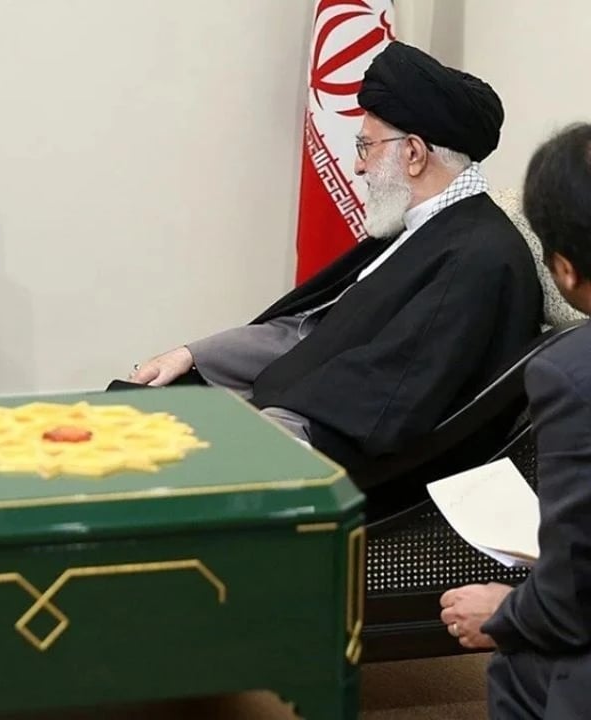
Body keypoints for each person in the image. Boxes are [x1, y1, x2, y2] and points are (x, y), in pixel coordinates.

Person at [127, 41, 541, 474]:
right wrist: (193, 357)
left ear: (414, 154)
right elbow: (312, 331)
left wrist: (259, 440)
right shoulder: (423, 228)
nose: (358, 167)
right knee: (135, 406)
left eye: (366, 146)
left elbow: (387, 398)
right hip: (287, 414)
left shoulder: (476, 259)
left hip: (354, 473)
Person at [438, 122, 591, 720]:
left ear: (564, 269)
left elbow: (570, 602)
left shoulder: (571, 375)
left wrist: (505, 613)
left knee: (522, 665)